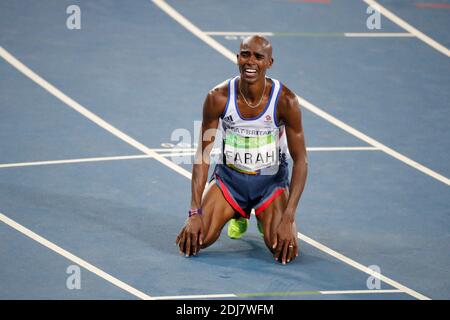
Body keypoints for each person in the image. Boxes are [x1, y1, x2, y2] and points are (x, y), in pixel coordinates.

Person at [176, 35, 308, 264]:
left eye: (258, 57)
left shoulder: (285, 101)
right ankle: (238, 211)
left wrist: (288, 218)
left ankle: (260, 212)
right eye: (245, 54)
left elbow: (301, 161)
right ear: (237, 58)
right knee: (193, 241)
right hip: (230, 181)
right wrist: (194, 212)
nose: (251, 62)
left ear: (269, 63)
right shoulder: (217, 97)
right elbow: (202, 157)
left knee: (283, 248)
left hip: (270, 183)